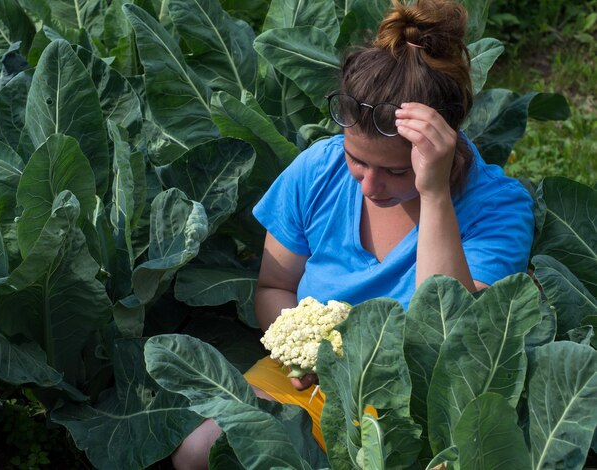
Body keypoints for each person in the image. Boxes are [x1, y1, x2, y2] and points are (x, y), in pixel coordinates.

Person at [172, 0, 534, 467]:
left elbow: (453, 339)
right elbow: (275, 286)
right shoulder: (318, 170)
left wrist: (435, 195)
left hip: (420, 412)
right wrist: (306, 355)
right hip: (312, 384)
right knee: (197, 454)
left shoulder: (497, 207)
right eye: (357, 160)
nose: (369, 185)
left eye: (397, 171)